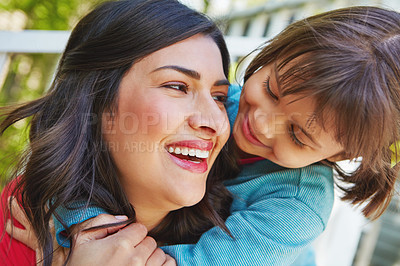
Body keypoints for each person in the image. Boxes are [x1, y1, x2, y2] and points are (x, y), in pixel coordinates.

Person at [5, 4, 400, 266]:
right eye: (271, 90)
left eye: (297, 134)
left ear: (341, 153)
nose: (261, 123)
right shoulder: (216, 108)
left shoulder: (296, 206)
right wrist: (81, 237)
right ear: (270, 56)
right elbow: (88, 167)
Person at [0, 0, 236, 265]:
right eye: (177, 86)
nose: (215, 121)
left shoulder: (254, 234)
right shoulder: (24, 219)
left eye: (219, 97)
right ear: (96, 99)